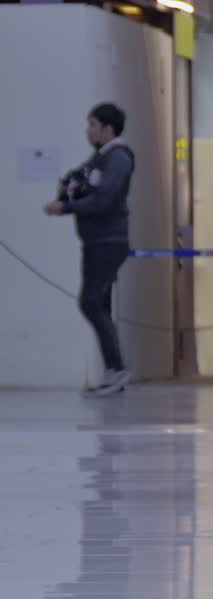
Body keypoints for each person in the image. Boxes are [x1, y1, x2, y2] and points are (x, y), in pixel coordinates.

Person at [43, 103, 135, 395]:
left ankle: (118, 369)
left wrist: (66, 207)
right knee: (100, 303)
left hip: (108, 242)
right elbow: (80, 182)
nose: (88, 130)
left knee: (91, 302)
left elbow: (103, 200)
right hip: (96, 241)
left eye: (93, 125)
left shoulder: (118, 158)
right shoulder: (99, 159)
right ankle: (112, 371)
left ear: (108, 129)